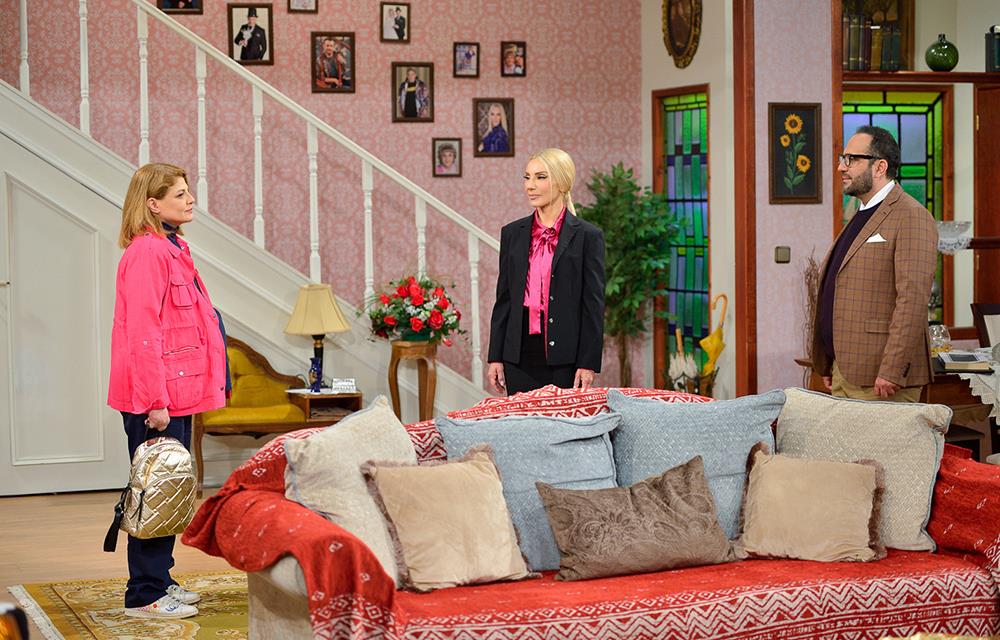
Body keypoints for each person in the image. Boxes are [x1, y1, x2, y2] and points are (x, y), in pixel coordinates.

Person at [108, 163, 229, 619]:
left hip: (176, 393)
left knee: (169, 490)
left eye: (187, 191)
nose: (190, 199)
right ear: (153, 204)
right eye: (179, 194)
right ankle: (145, 594)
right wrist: (154, 401)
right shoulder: (148, 253)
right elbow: (143, 333)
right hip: (156, 398)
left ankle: (160, 579)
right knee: (154, 492)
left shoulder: (173, 247)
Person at [810, 125, 938, 401]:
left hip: (881, 377)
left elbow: (912, 300)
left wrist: (892, 369)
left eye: (851, 160)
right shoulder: (860, 214)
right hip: (845, 370)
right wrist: (828, 360)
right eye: (842, 159)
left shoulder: (911, 216)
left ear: (880, 167)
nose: (841, 168)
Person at [487, 148, 606, 395]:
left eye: (540, 177)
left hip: (565, 357)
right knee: (521, 419)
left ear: (562, 182)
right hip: (517, 356)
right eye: (527, 177)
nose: (530, 185)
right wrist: (495, 356)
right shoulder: (512, 234)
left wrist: (587, 362)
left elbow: (593, 306)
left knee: (560, 420)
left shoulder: (588, 236)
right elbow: (504, 301)